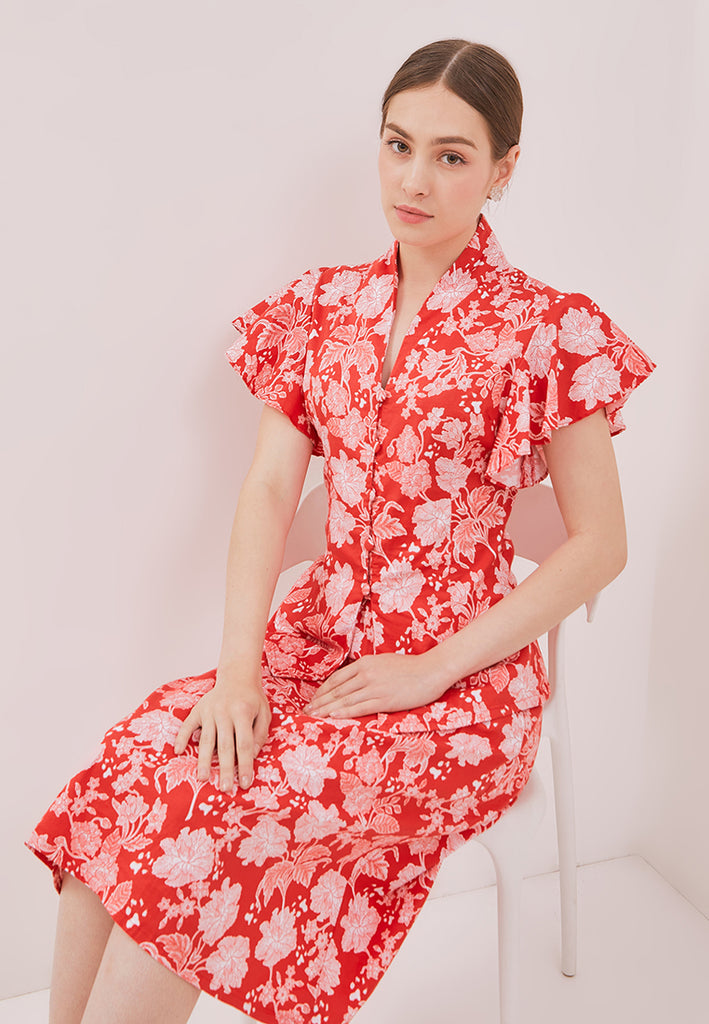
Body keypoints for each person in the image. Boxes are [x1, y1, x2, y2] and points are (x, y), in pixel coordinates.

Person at [27, 37, 654, 1024]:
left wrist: (427, 670)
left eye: (451, 155)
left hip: (459, 691)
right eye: (398, 145)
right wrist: (239, 675)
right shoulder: (319, 308)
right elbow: (270, 491)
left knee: (213, 820)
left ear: (502, 169)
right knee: (138, 764)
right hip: (313, 650)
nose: (414, 180)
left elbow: (599, 544)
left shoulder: (549, 328)